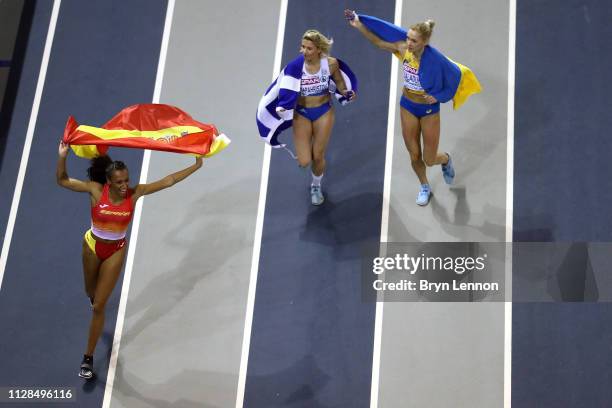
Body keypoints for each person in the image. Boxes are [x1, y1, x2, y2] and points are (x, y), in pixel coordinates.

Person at [56, 141, 203, 379]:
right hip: (92, 247)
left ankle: (87, 358)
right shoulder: (95, 190)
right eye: (119, 182)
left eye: (126, 180)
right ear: (109, 182)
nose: (125, 186)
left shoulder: (135, 194)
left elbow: (169, 180)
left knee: (99, 306)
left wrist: (195, 165)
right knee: (90, 291)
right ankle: (93, 295)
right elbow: (62, 180)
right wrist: (62, 155)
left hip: (115, 251)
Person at [345, 10, 481, 206]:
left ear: (424, 42)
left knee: (429, 158)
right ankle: (424, 185)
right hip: (408, 105)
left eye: (414, 41)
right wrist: (359, 25)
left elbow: (454, 79)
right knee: (414, 154)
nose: (409, 43)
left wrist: (439, 97)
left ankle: (445, 160)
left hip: (428, 110)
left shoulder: (437, 60)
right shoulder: (402, 48)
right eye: (408, 38)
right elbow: (379, 43)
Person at [286, 30, 355, 205]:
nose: (303, 51)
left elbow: (339, 82)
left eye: (308, 48)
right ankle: (304, 156)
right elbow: (283, 89)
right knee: (304, 161)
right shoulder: (295, 67)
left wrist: (346, 92)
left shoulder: (330, 64)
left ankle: (315, 186)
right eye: (302, 47)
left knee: (318, 156)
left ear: (318, 49)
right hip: (301, 113)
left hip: (323, 112)